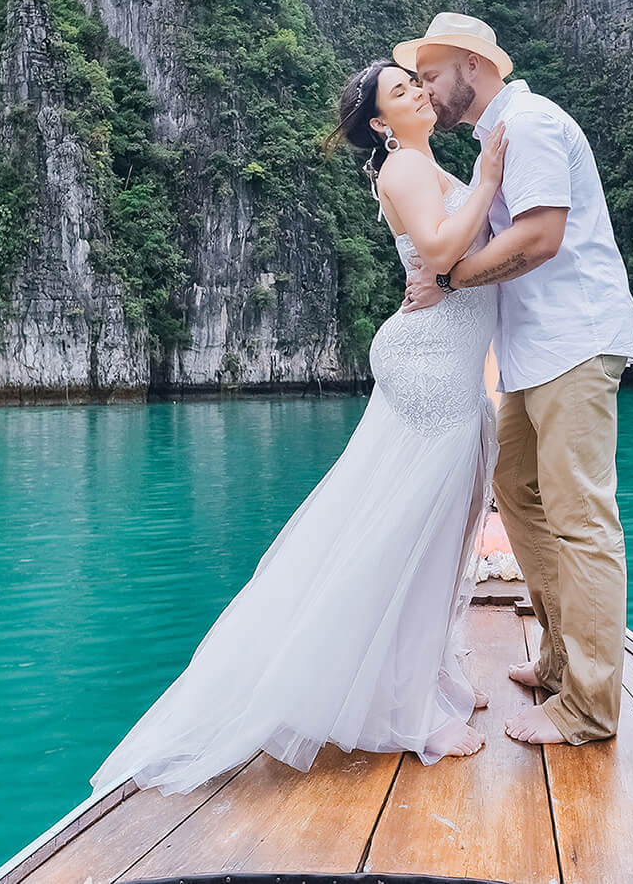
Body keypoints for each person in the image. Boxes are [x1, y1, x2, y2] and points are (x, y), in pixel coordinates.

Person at [88, 57, 510, 796]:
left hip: (448, 363)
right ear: (382, 121)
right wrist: (493, 181)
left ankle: (434, 671)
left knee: (448, 524)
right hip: (430, 367)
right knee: (418, 529)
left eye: (416, 81)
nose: (417, 90)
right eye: (401, 90)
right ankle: (410, 708)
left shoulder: (424, 164)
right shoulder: (405, 168)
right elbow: (442, 255)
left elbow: (452, 261)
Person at [395, 11, 633, 747]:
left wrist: (447, 275)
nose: (428, 92)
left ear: (473, 64)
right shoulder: (493, 144)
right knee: (519, 492)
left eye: (433, 76)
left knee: (581, 518)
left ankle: (589, 706)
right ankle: (563, 659)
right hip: (534, 353)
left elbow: (539, 237)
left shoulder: (528, 123)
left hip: (575, 341)